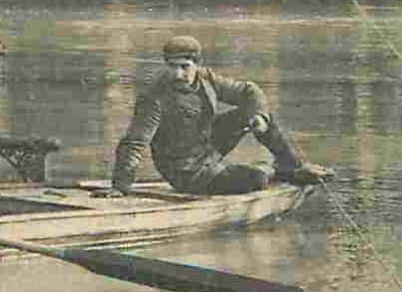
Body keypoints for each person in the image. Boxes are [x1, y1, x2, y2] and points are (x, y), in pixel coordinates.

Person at [102, 35, 334, 196]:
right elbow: (134, 142)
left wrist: (259, 117)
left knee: (254, 112)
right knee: (256, 179)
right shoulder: (154, 97)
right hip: (188, 173)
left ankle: (295, 165)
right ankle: (281, 172)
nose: (178, 73)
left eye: (184, 66)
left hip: (208, 147)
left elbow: (249, 91)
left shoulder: (207, 79)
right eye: (172, 66)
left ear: (196, 64)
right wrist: (121, 186)